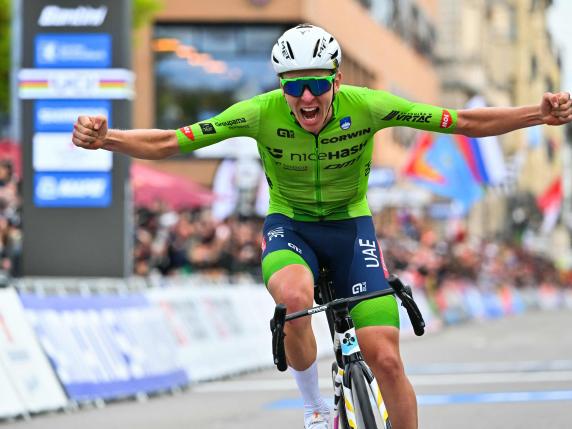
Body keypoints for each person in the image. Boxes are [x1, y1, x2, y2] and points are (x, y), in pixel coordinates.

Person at [72, 23, 572, 429]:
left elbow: (462, 121)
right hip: (291, 227)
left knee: (388, 359)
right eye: (293, 86)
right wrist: (107, 140)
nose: (306, 97)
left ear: (336, 81)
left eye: (316, 84)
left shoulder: (369, 106)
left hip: (351, 229)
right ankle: (314, 407)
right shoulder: (259, 113)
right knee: (293, 298)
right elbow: (170, 142)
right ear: (280, 88)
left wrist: (537, 115)